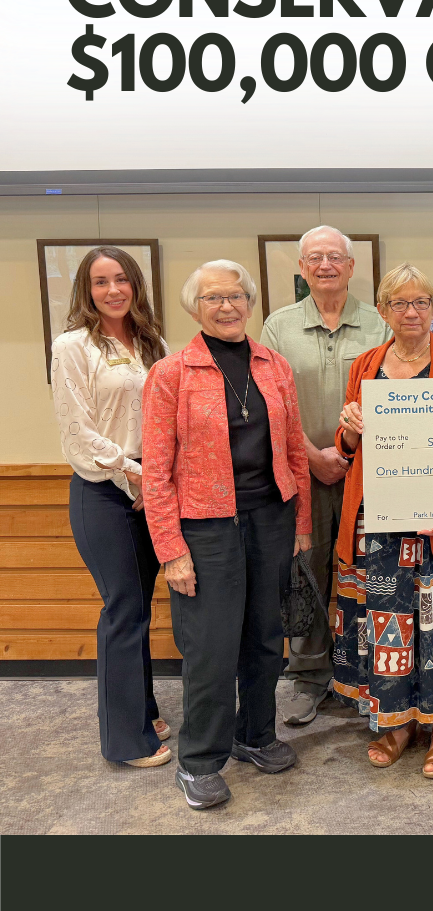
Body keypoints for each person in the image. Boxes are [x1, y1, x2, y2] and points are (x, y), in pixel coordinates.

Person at [142, 260, 312, 809]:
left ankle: (255, 734)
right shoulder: (172, 373)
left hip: (271, 518)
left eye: (237, 296)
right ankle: (199, 760)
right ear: (196, 307)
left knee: (266, 638)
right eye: (214, 297)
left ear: (250, 301)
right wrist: (171, 551)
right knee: (211, 648)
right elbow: (156, 471)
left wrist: (301, 526)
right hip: (205, 527)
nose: (228, 306)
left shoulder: (274, 366)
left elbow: (294, 452)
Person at [331, 263, 433, 778]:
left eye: (421, 302)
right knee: (388, 622)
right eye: (400, 303)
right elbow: (348, 449)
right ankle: (396, 722)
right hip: (378, 522)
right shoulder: (366, 364)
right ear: (383, 311)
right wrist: (349, 429)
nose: (412, 311)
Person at [260, 225, 390, 726]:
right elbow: (272, 408)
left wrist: (353, 454)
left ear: (352, 267)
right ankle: (309, 677)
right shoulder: (279, 327)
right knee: (306, 575)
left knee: (368, 577)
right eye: (315, 258)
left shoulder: (380, 324)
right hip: (303, 473)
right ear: (301, 267)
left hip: (370, 476)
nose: (325, 265)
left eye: (335, 257)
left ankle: (362, 676)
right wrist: (313, 455)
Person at [51, 246, 171, 768]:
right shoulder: (73, 346)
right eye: (101, 282)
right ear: (87, 290)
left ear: (136, 286)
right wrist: (136, 472)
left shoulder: (153, 343)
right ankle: (126, 740)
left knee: (140, 608)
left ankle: (142, 709)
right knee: (123, 611)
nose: (113, 290)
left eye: (122, 279)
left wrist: (160, 477)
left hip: (153, 489)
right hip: (104, 491)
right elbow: (77, 432)